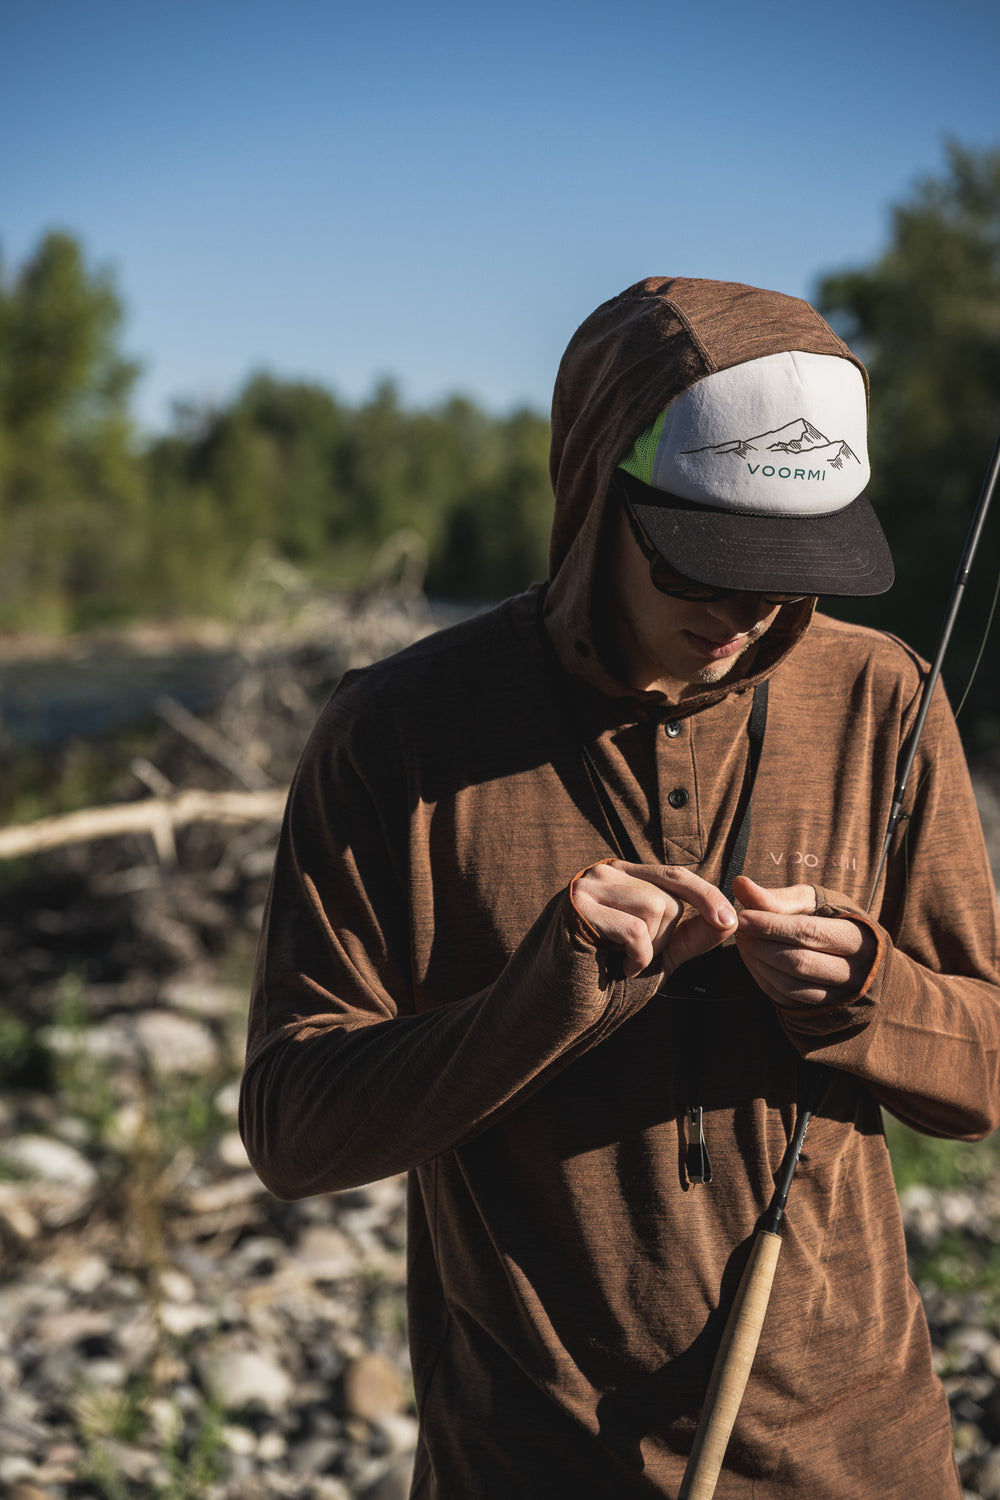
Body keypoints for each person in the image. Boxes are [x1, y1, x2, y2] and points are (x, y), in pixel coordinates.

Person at [240, 277, 1000, 1498]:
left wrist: (868, 990)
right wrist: (535, 1004)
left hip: (862, 1455)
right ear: (600, 495)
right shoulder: (399, 732)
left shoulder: (883, 698)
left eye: (790, 568)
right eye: (705, 565)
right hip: (529, 1462)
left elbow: (983, 1076)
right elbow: (292, 1132)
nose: (748, 613)